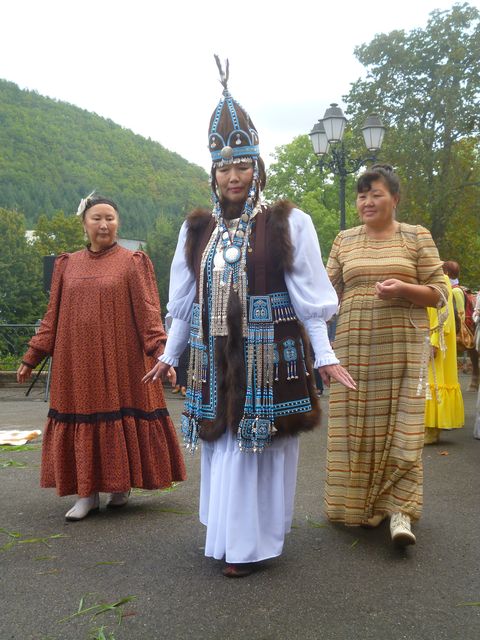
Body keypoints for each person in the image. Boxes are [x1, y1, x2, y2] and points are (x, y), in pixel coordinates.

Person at [144, 57, 355, 577]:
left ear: (257, 168)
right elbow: (184, 299)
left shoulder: (289, 221)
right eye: (223, 167)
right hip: (214, 357)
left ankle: (252, 545)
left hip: (269, 353)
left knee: (260, 448)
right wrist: (171, 353)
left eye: (242, 165)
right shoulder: (197, 231)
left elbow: (311, 294)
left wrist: (323, 354)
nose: (233, 176)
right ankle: (229, 537)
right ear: (212, 174)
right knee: (225, 445)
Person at [17, 194, 186, 520]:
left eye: (110, 217)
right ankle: (87, 495)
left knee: (117, 416)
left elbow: (149, 315)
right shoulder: (67, 265)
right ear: (84, 224)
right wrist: (31, 356)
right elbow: (52, 316)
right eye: (97, 218)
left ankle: (119, 487)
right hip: (75, 363)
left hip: (120, 361)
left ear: (117, 223)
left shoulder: (133, 262)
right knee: (83, 419)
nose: (104, 224)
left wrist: (162, 354)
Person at [325, 164, 448, 547]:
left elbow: (440, 291)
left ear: (394, 199)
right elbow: (324, 294)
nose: (367, 201)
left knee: (404, 425)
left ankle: (400, 512)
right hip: (353, 348)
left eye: (375, 194)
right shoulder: (344, 240)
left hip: (403, 348)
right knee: (356, 427)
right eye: (362, 195)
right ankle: (362, 506)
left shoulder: (416, 237)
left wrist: (405, 289)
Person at [424, 273, 464, 444]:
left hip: (437, 340)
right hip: (429, 336)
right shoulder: (428, 278)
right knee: (428, 381)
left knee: (435, 379)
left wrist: (435, 342)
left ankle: (432, 429)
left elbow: (444, 312)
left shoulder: (441, 279)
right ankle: (427, 427)